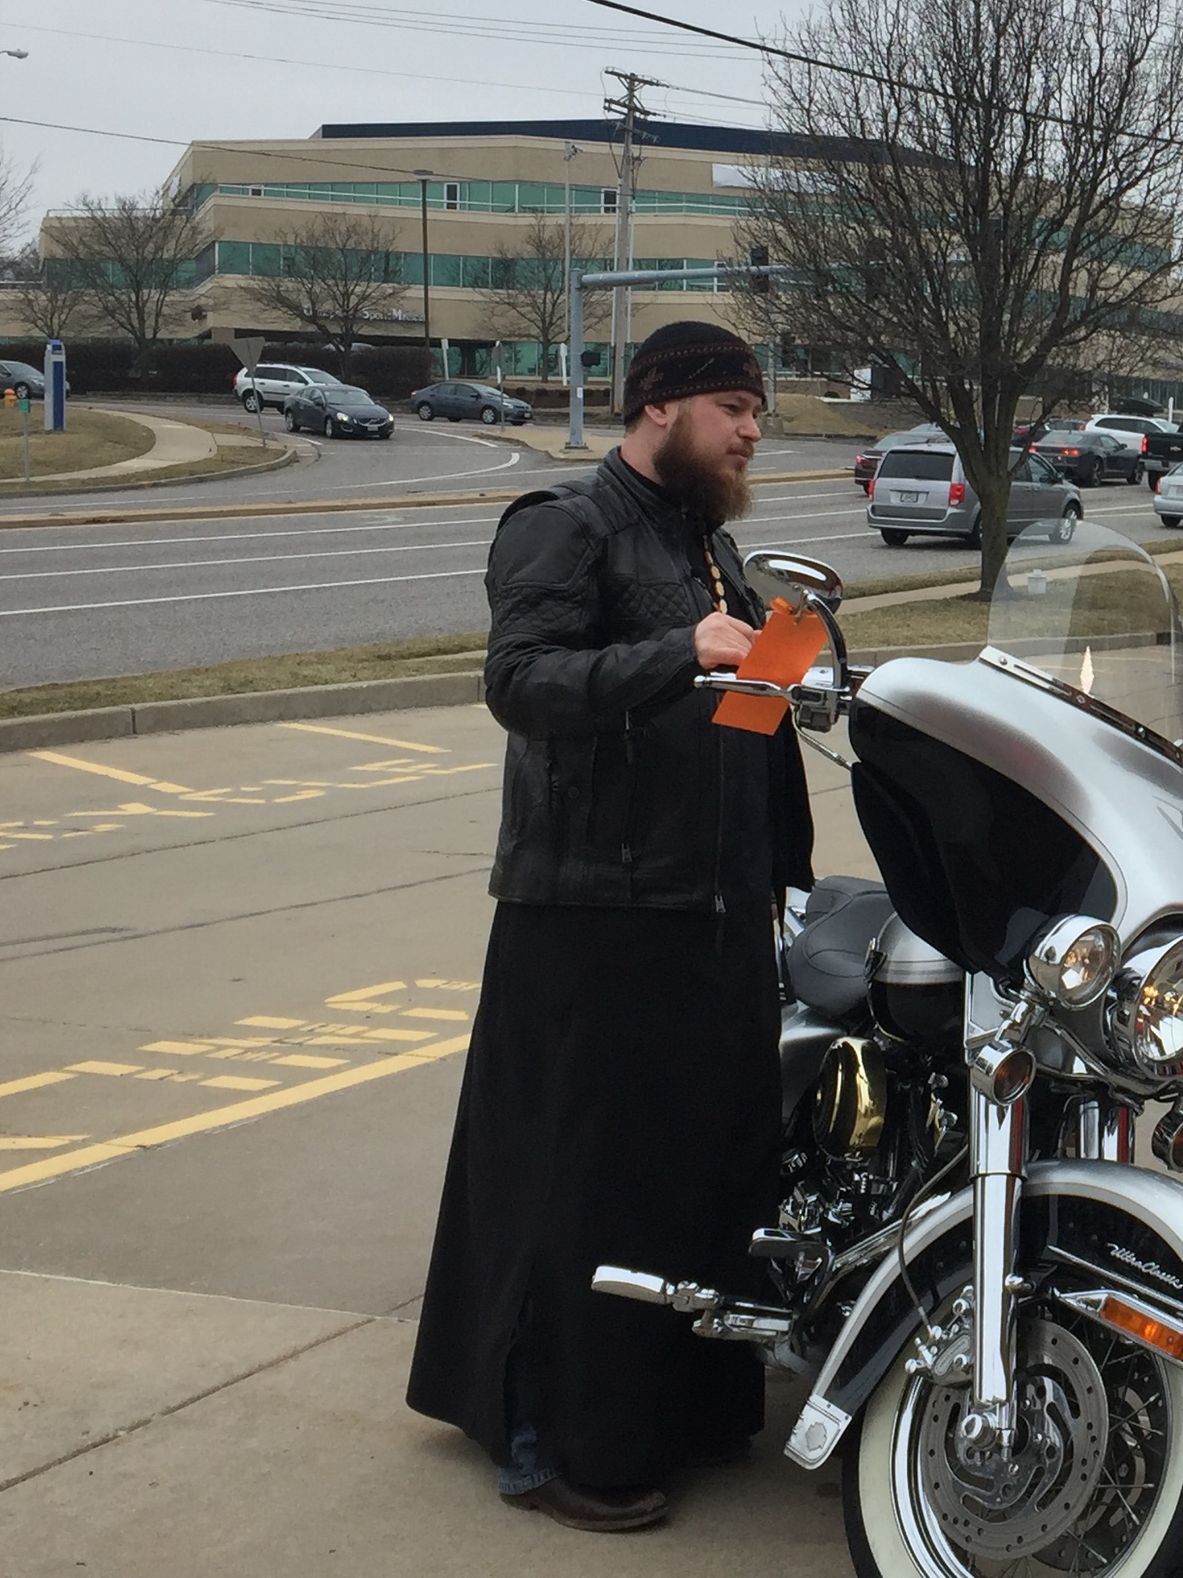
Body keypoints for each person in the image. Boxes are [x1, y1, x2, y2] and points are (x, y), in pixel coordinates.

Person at [407, 322, 814, 1533]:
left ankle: (678, 1413)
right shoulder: (564, 524)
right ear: (658, 406)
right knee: (582, 1184)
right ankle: (553, 1440)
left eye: (755, 410)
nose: (751, 431)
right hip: (589, 909)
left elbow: (735, 725)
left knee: (698, 1172)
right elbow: (519, 683)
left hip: (713, 904)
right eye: (734, 406)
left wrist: (784, 675)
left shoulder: (709, 544)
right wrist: (675, 650)